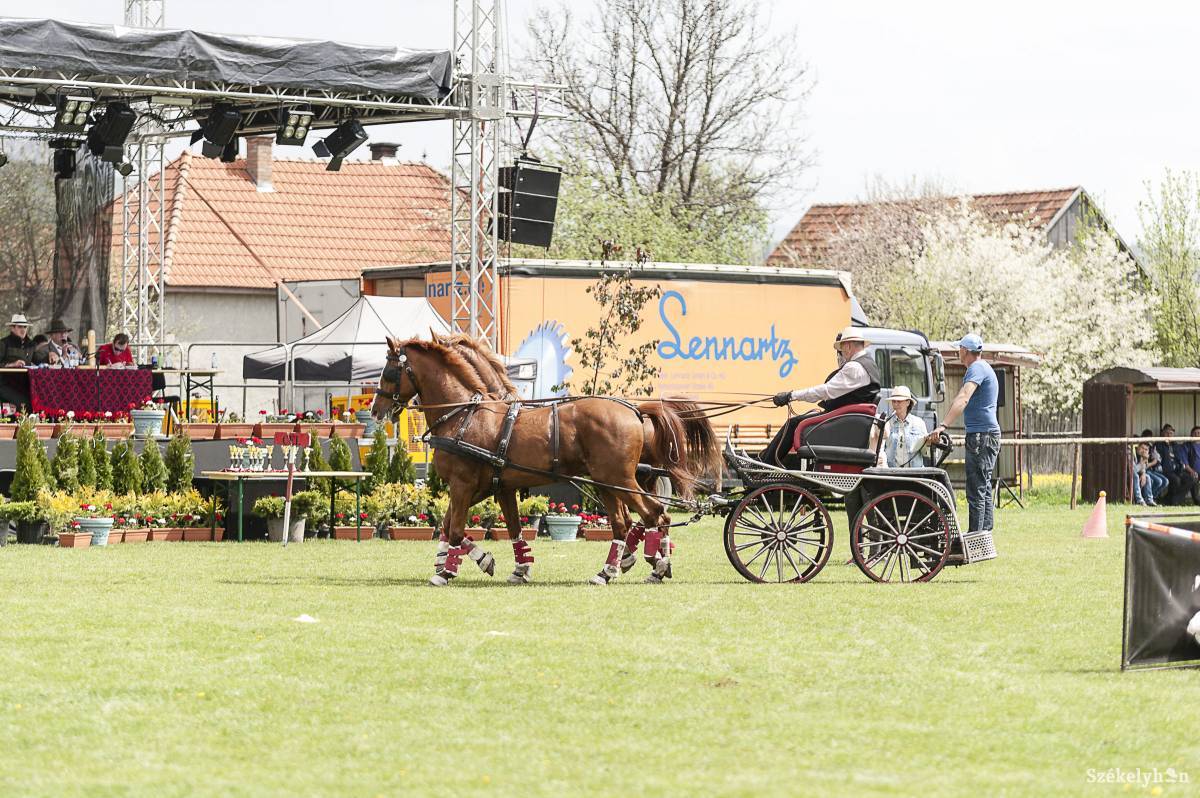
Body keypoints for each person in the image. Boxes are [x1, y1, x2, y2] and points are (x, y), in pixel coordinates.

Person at [760, 327, 881, 465]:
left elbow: (825, 391)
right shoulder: (868, 364)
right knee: (800, 420)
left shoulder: (854, 368)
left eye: (841, 349)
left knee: (793, 423)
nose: (841, 354)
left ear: (847, 346)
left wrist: (791, 395)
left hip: (842, 421)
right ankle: (765, 460)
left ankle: (765, 464)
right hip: (848, 419)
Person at [926, 333, 999, 538]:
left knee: (976, 487)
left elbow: (963, 397)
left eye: (960, 349)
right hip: (986, 433)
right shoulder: (985, 367)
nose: (959, 352)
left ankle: (975, 535)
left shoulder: (975, 368)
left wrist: (943, 425)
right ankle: (983, 535)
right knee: (983, 486)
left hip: (980, 435)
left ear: (965, 351)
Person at [870, 385, 929, 468]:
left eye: (899, 401)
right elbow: (880, 449)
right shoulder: (886, 423)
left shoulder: (919, 423)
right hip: (893, 475)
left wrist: (929, 442)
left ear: (908, 402)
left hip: (915, 474)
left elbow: (925, 452)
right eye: (894, 401)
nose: (896, 404)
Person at [1154, 424, 1196, 505]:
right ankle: (1172, 501)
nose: (1169, 435)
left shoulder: (1176, 445)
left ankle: (1173, 500)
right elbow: (1159, 460)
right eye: (1167, 433)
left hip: (1177, 469)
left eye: (1171, 433)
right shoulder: (1159, 444)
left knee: (1191, 479)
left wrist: (1181, 467)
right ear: (1163, 433)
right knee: (1176, 480)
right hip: (1165, 470)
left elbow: (1180, 458)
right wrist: (1166, 443)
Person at [0, 314, 34, 409]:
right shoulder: (3, 343)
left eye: (25, 327)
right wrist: (12, 365)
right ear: (12, 328)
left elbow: (39, 361)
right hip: (6, 384)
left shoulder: (31, 344)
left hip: (26, 384)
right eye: (19, 327)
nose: (23, 329)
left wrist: (54, 356)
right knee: (25, 403)